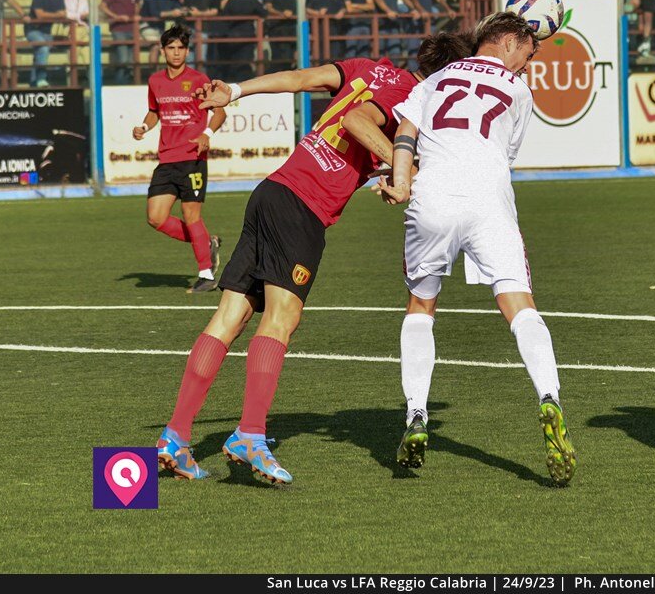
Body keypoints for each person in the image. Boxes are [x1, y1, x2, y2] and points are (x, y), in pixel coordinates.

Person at [154, 31, 474, 485]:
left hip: (271, 191)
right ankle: (249, 435)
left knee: (228, 318)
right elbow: (358, 125)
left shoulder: (369, 69)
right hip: (302, 207)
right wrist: (405, 168)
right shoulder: (409, 94)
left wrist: (238, 91)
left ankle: (175, 436)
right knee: (281, 320)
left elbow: (301, 78)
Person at [377, 13, 577, 487]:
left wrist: (401, 182)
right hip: (488, 201)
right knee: (519, 305)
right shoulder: (519, 91)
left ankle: (417, 415)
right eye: (528, 51)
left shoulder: (437, 78)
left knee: (421, 305)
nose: (529, 61)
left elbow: (405, 134)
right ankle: (549, 397)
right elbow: (502, 155)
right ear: (508, 42)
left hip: (434, 197)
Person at [133, 24, 224, 294]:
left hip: (193, 157)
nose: (176, 53)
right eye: (171, 48)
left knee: (191, 214)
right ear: (162, 51)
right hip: (167, 158)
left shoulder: (199, 80)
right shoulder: (156, 81)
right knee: (155, 217)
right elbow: (154, 112)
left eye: (181, 48)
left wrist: (207, 133)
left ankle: (206, 275)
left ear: (187, 51)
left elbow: (219, 113)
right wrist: (144, 127)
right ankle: (207, 242)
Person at [101, 0, 139, 84]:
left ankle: (126, 86)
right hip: (118, 29)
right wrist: (116, 17)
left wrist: (135, 16)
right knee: (123, 60)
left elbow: (137, 5)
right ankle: (119, 86)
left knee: (131, 61)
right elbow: (103, 6)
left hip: (132, 28)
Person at [26, 0, 67, 88]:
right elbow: (39, 15)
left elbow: (64, 14)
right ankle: (41, 79)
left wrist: (49, 15)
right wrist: (56, 15)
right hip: (33, 30)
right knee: (43, 49)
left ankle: (33, 82)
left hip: (48, 31)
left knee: (40, 54)